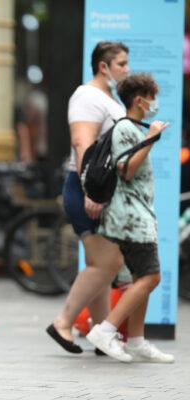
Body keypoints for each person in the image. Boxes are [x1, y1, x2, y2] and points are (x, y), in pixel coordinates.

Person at [46, 41, 131, 354]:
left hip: (98, 189)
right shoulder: (87, 96)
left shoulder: (107, 97)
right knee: (110, 262)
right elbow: (82, 143)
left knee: (101, 263)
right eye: (121, 64)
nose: (127, 69)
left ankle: (100, 331)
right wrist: (90, 190)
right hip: (86, 188)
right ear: (103, 66)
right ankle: (64, 322)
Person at [86, 73, 173, 363]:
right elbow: (125, 169)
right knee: (151, 276)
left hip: (138, 214)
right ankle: (106, 330)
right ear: (139, 100)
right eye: (152, 97)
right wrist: (150, 140)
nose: (155, 104)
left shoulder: (133, 127)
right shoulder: (126, 128)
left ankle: (136, 340)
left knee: (140, 277)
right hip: (131, 218)